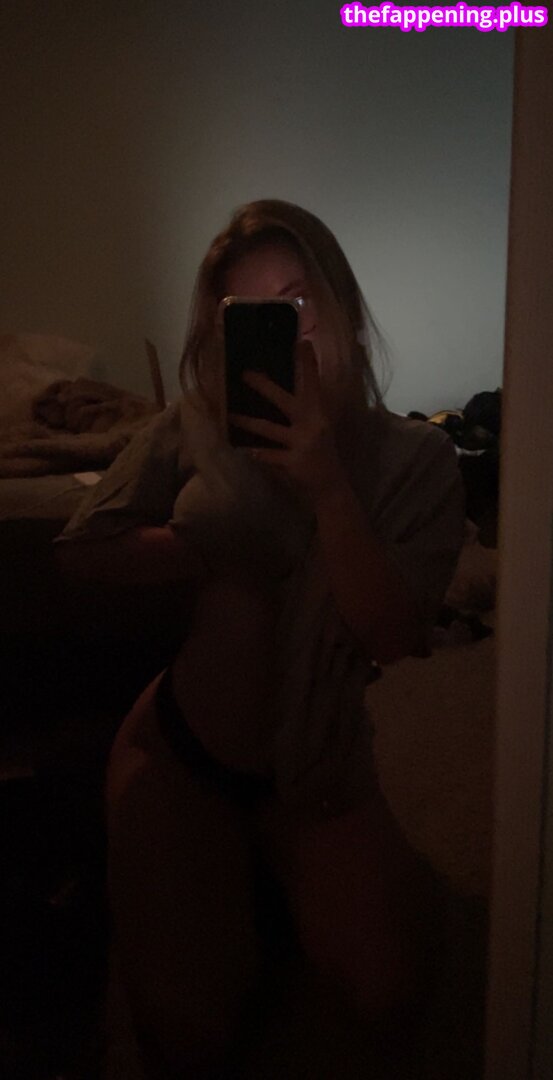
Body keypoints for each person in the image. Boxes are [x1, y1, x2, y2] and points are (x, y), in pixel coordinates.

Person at [56, 199, 465, 1077]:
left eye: (297, 301)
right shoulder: (194, 424)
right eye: (250, 317)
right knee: (187, 1030)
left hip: (319, 770)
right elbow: (82, 549)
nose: (289, 333)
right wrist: (202, 546)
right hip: (183, 750)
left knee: (390, 990)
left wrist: (326, 488)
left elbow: (393, 633)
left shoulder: (415, 460)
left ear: (341, 305)